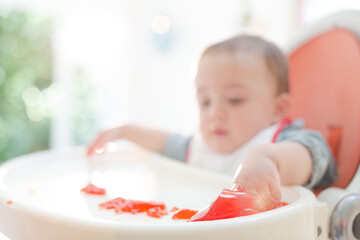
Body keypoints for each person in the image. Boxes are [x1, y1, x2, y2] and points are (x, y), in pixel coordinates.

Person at [87, 34, 338, 202]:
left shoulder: (281, 140)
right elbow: (165, 142)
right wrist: (123, 131)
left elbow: (316, 154)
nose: (214, 113)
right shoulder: (200, 148)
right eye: (204, 101)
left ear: (278, 109)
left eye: (235, 100)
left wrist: (268, 158)